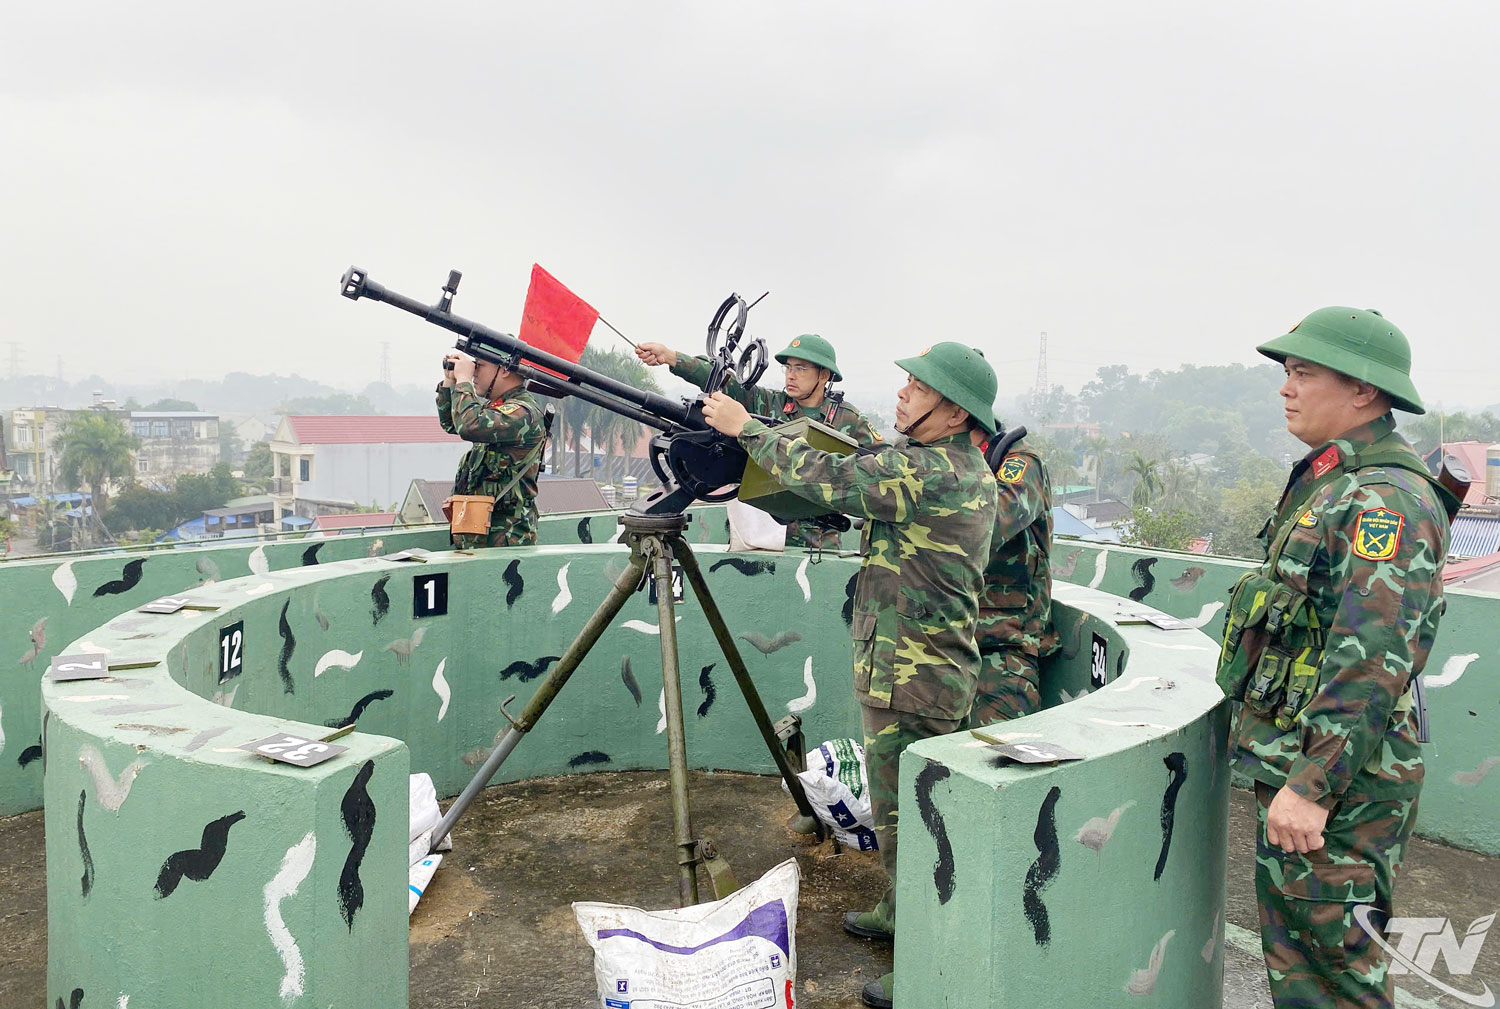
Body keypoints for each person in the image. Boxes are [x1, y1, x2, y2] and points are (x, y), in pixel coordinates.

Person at [702, 342, 998, 1009]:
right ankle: (900, 910)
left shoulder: (934, 471)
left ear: (953, 411)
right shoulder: (949, 468)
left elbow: (834, 476)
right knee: (902, 818)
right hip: (911, 666)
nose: (902, 394)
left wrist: (744, 427)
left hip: (915, 677)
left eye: (918, 388)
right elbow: (852, 488)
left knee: (918, 827)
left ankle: (925, 963)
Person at [1215, 308, 1458, 1009]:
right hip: (1316, 765)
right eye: (1288, 373)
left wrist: (1312, 783)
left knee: (1337, 977)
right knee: (1305, 974)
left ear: (1362, 390)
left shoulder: (1385, 500)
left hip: (1342, 784)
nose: (1286, 388)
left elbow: (1373, 657)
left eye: (1303, 373)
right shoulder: (1336, 482)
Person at [636, 333, 882, 547]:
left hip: (820, 537)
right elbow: (724, 383)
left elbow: (883, 465)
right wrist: (671, 357)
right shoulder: (769, 404)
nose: (791, 376)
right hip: (766, 530)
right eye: (788, 368)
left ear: (824, 375)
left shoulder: (847, 419)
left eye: (801, 368)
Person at [966, 422, 1053, 727]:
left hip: (1002, 650)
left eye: (921, 389)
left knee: (996, 760)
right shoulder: (940, 456)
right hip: (947, 644)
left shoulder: (1018, 463)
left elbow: (990, 523)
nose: (904, 394)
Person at [435, 350, 548, 548]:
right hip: (480, 540)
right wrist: (450, 382)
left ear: (504, 370)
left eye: (479, 365)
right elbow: (452, 423)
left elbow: (469, 426)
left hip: (506, 542)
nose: (474, 371)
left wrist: (464, 379)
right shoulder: (498, 408)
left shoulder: (523, 413)